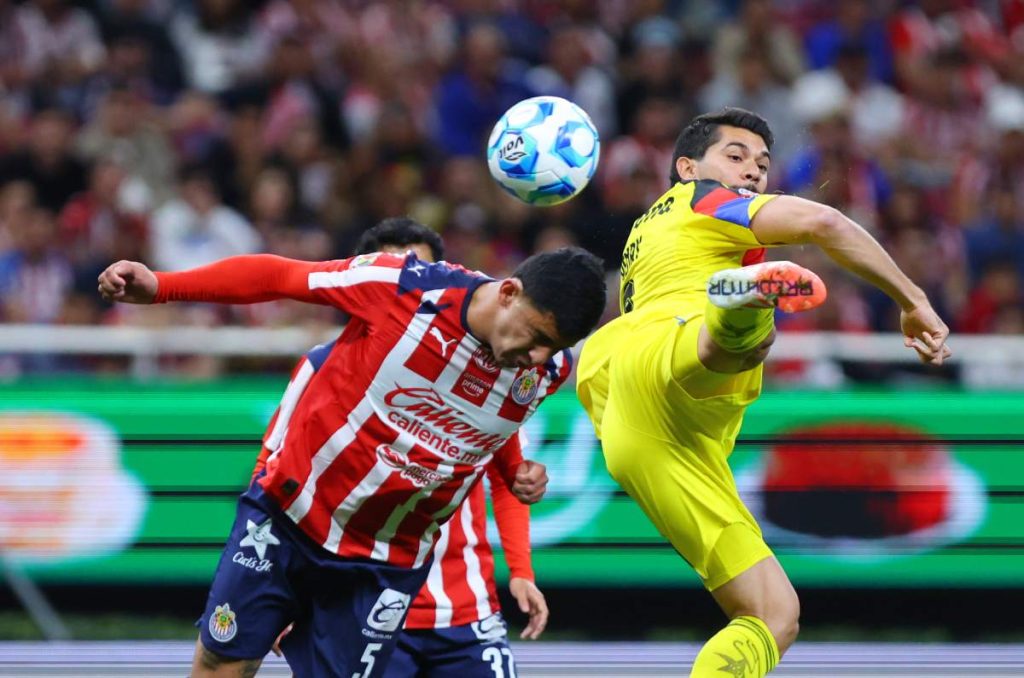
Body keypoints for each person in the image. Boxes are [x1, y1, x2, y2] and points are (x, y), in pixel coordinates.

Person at [98, 242, 606, 677]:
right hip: (289, 520)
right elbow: (280, 275)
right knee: (223, 663)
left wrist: (518, 475)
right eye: (537, 338)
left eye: (554, 348)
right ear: (509, 293)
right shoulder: (402, 288)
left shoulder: (545, 371)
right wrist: (162, 286)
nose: (539, 357)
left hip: (385, 563)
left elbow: (494, 436)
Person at [576, 107, 950, 677]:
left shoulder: (648, 229)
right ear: (687, 167)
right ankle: (741, 305)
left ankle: (740, 304)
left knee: (774, 613)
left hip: (644, 429)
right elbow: (824, 223)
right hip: (665, 354)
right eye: (735, 155)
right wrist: (913, 299)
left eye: (762, 163)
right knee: (737, 345)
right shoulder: (702, 200)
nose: (752, 170)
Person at [255, 218, 547, 678]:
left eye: (428, 274)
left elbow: (508, 475)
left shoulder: (489, 383)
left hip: (464, 609)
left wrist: (522, 569)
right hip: (358, 605)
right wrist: (283, 593)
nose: (417, 290)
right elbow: (272, 477)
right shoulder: (321, 368)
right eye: (399, 275)